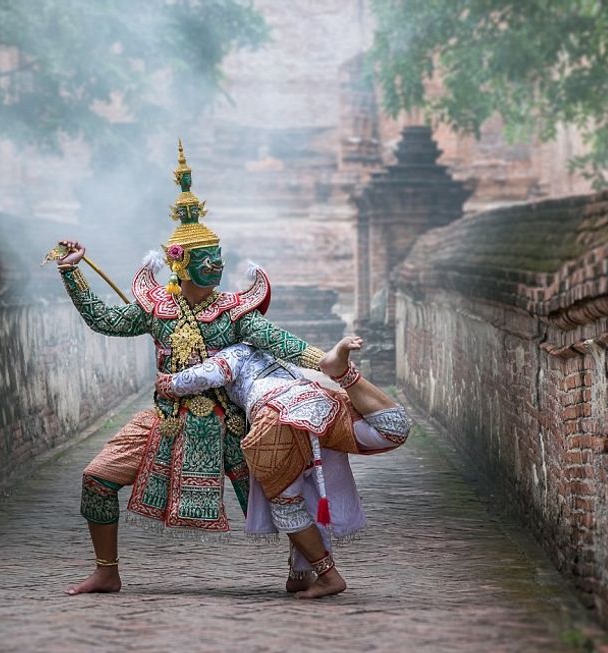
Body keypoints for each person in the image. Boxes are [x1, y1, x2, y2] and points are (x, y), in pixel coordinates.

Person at [58, 141, 328, 595]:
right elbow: (104, 319)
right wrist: (72, 273)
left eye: (218, 256)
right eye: (208, 258)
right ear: (180, 264)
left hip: (231, 427)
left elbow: (281, 342)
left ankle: (313, 569)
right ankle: (107, 570)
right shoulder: (155, 308)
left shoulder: (235, 313)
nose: (217, 264)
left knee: (283, 496)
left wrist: (329, 363)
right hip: (165, 423)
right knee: (96, 479)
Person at [155, 335, 411, 598]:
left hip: (276, 416)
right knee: (392, 429)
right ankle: (346, 376)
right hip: (317, 403)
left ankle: (328, 575)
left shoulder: (235, 352)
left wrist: (170, 383)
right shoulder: (277, 350)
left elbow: (209, 374)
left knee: (286, 504)